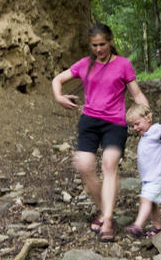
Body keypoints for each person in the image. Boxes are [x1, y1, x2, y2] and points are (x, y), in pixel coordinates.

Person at [52, 24, 149, 242]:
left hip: (114, 123)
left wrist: (147, 116)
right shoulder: (85, 64)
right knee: (84, 165)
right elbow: (57, 80)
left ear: (111, 41)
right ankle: (105, 210)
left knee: (109, 163)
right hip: (89, 122)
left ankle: (106, 220)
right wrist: (59, 96)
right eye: (94, 45)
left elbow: (137, 93)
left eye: (102, 44)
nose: (99, 49)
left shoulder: (123, 65)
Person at [124, 103, 161, 238]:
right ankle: (158, 226)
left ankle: (138, 226)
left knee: (145, 199)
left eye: (137, 123)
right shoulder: (145, 135)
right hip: (150, 177)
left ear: (148, 118)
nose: (135, 128)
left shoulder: (156, 129)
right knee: (152, 202)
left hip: (157, 176)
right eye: (132, 126)